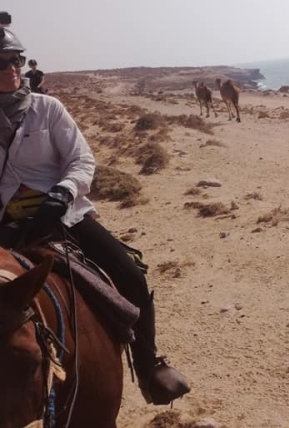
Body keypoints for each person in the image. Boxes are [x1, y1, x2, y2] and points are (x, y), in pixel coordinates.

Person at [0, 25, 190, 405]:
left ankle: (150, 364)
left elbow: (81, 159)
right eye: (2, 62)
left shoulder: (48, 109)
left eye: (15, 60)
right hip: (6, 223)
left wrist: (63, 192)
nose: (12, 69)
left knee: (130, 274)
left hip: (61, 216)